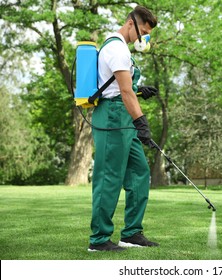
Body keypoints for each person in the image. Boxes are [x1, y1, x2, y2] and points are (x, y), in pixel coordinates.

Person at [88, 5, 159, 252]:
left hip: (123, 115)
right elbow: (124, 91)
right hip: (112, 117)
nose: (144, 38)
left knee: (139, 173)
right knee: (109, 177)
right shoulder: (117, 48)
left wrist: (142, 89)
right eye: (144, 31)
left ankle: (131, 233)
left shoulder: (122, 50)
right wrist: (141, 122)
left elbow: (125, 87)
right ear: (131, 23)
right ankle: (99, 239)